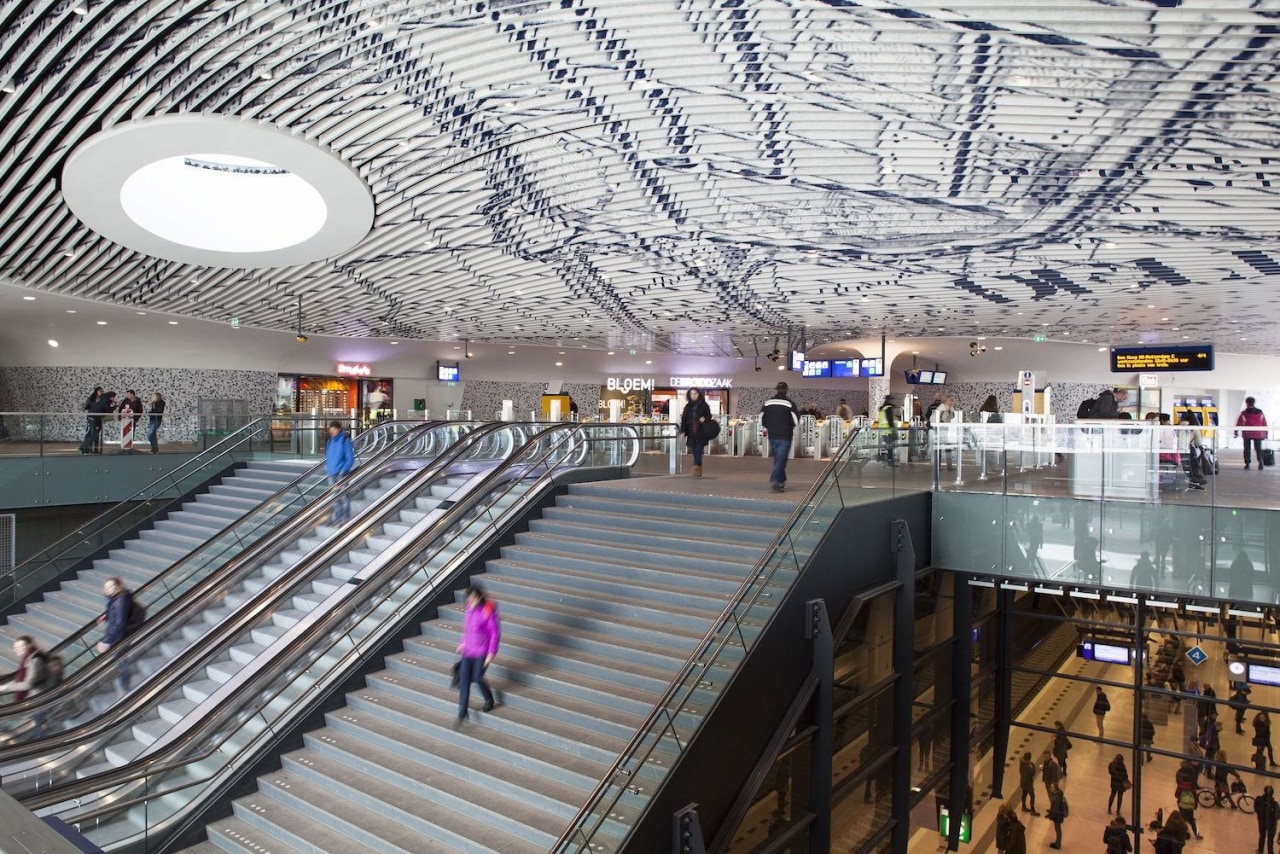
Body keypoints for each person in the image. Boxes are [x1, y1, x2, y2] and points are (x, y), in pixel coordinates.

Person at [455, 584, 500, 724]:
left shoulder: (487, 611)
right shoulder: (468, 609)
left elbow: (494, 633)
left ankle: (489, 698)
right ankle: (463, 711)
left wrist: (491, 653)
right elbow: (467, 629)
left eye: (474, 598)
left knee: (477, 677)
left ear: (479, 597)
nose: (471, 601)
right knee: (464, 680)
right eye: (469, 598)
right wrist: (463, 642)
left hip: (482, 651)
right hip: (468, 650)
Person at [0, 636, 52, 737]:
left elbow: (28, 684)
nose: (17, 649)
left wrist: (6, 687)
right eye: (16, 647)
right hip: (34, 697)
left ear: (29, 645)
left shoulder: (35, 660)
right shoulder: (27, 659)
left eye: (21, 646)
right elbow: (21, 679)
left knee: (39, 721)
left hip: (38, 698)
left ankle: (42, 741)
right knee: (38, 720)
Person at [96, 577, 140, 692]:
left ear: (118, 586)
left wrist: (107, 641)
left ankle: (126, 687)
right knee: (120, 660)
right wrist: (106, 616)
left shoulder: (121, 600)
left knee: (121, 661)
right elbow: (116, 612)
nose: (108, 589)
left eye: (111, 586)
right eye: (106, 587)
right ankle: (125, 684)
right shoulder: (117, 598)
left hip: (120, 636)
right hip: (120, 634)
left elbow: (120, 624)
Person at [761, 382, 800, 493]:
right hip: (785, 435)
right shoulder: (790, 404)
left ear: (776, 390)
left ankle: (782, 481)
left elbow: (761, 419)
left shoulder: (768, 403)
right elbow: (796, 421)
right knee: (781, 459)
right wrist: (789, 426)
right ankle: (775, 481)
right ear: (786, 390)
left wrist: (770, 426)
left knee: (778, 459)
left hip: (772, 435)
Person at [324, 420, 355, 523]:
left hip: (341, 473)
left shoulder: (344, 440)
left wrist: (344, 470)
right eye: (330, 430)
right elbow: (328, 456)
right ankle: (338, 518)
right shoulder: (330, 441)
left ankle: (345, 517)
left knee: (344, 496)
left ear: (338, 429)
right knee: (335, 498)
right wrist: (327, 467)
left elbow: (350, 458)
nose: (332, 432)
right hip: (331, 473)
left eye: (333, 430)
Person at [678, 387, 712, 478]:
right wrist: (683, 431)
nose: (693, 396)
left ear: (699, 394)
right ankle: (698, 466)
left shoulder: (704, 405)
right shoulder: (688, 406)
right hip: (691, 431)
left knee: (698, 449)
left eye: (695, 394)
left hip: (701, 431)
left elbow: (709, 416)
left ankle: (696, 466)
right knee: (694, 449)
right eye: (691, 394)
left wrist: (704, 418)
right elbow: (684, 419)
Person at [1236, 396, 1269, 469]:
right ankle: (1260, 461)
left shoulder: (1244, 413)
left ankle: (1247, 464)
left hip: (1247, 433)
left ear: (1246, 403)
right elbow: (1264, 422)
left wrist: (1236, 432)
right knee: (1258, 448)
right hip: (1258, 433)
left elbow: (1239, 422)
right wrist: (1266, 433)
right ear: (1254, 403)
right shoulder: (1260, 412)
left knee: (1247, 448)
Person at [80, 390, 116, 454]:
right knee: (94, 435)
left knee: (91, 434)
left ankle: (93, 450)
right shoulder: (106, 401)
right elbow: (108, 410)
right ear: (111, 397)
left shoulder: (101, 399)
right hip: (95, 419)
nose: (114, 399)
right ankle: (83, 446)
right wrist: (115, 406)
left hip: (91, 417)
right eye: (114, 397)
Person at [78, 386, 103, 453]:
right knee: (92, 434)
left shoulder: (103, 399)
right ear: (96, 391)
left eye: (102, 391)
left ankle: (94, 449)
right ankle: (84, 446)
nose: (101, 392)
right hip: (91, 417)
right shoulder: (92, 398)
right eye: (100, 391)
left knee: (95, 434)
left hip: (98, 418)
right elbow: (87, 406)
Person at [1256, 784, 1279, 854]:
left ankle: (1260, 850)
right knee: (1269, 839)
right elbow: (1278, 815)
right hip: (1271, 824)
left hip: (1263, 822)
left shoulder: (1259, 800)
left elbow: (1256, 809)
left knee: (1262, 836)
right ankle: (1270, 852)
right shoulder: (1275, 804)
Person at [1046, 779, 1068, 849]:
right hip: (1058, 815)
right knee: (1058, 829)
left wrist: (1051, 815)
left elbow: (1055, 809)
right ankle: (1057, 842)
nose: (1050, 788)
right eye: (1050, 787)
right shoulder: (1057, 794)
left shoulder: (1057, 797)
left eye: (1052, 787)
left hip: (1057, 816)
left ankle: (1058, 844)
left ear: (1055, 788)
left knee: (1058, 830)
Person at [1018, 750, 1039, 815]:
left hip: (1023, 781)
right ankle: (1032, 809)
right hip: (1028, 783)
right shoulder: (1027, 766)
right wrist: (1033, 766)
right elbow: (1032, 773)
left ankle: (1023, 806)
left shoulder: (1022, 763)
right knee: (1032, 795)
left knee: (1024, 794)